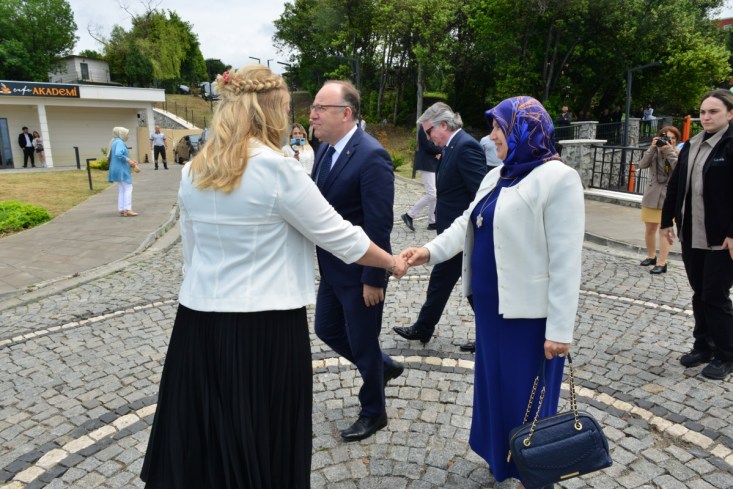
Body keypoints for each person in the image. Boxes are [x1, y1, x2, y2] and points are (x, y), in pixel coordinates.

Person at [140, 66, 407, 488]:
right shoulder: (278, 169)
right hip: (264, 327)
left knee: (207, 438)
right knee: (264, 435)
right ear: (268, 112)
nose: (291, 117)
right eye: (285, 107)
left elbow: (190, 255)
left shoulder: (193, 170)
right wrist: (391, 263)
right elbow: (340, 236)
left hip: (196, 322)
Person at [400, 96, 584, 488]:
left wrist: (559, 331)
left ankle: (533, 468)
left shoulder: (558, 178)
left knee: (526, 395)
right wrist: (427, 252)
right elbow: (464, 224)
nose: (493, 135)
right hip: (490, 310)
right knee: (495, 389)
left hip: (528, 318)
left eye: (500, 127)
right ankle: (502, 458)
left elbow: (566, 261)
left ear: (523, 130)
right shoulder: (499, 174)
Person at [309, 79, 404, 442]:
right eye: (314, 107)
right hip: (332, 269)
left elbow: (379, 223)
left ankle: (374, 412)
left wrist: (374, 278)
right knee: (326, 328)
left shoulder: (371, 155)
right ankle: (382, 366)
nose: (312, 114)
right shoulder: (325, 150)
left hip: (360, 273)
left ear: (345, 113)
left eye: (321, 108)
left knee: (363, 342)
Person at [393, 102, 487, 352]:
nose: (428, 137)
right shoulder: (452, 147)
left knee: (472, 288)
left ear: (443, 125)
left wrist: (468, 232)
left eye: (429, 131)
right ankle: (424, 327)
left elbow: (480, 195)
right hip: (450, 234)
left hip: (463, 235)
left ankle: (490, 334)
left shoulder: (466, 147)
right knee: (442, 282)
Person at [661, 89, 733, 381]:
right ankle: (703, 345)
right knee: (699, 294)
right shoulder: (691, 145)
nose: (706, 117)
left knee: (715, 296)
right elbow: (676, 185)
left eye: (713, 111)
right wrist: (666, 221)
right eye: (703, 112)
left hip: (722, 239)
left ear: (730, 113)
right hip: (692, 234)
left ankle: (726, 355)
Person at [638, 126, 680, 274]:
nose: (670, 141)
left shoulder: (679, 153)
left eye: (673, 138)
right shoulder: (654, 151)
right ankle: (651, 256)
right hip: (651, 194)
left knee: (665, 231)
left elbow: (679, 169)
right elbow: (642, 164)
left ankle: (662, 262)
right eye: (666, 138)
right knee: (650, 229)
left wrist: (669, 151)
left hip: (669, 196)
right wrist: (652, 147)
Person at [401, 125, 441, 231]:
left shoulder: (432, 126)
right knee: (432, 194)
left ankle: (432, 222)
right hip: (426, 164)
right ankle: (409, 215)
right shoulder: (425, 128)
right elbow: (428, 146)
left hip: (431, 164)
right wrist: (441, 150)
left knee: (434, 194)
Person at [107, 127, 139, 217]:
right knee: (128, 187)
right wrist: (129, 161)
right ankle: (127, 209)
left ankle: (121, 209)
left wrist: (129, 160)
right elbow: (118, 154)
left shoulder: (114, 141)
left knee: (122, 188)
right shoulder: (120, 142)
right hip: (121, 169)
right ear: (121, 134)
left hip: (116, 168)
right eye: (127, 134)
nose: (128, 136)